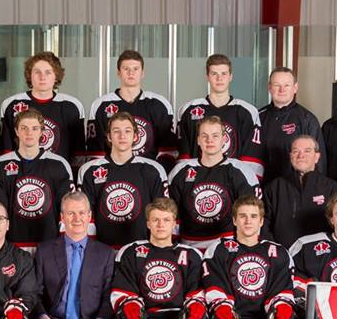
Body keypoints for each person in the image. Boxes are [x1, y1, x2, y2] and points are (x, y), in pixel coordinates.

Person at [77, 110, 169, 250]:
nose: (122, 136)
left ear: (135, 136)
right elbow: (85, 216)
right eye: (116, 131)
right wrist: (91, 250)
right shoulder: (89, 171)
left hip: (141, 251)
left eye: (127, 131)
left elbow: (162, 214)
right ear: (109, 136)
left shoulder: (153, 170)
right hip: (103, 251)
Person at [0, 108, 74, 253]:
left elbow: (67, 210)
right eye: (24, 128)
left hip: (50, 246)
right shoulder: (0, 165)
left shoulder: (59, 165)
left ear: (42, 132)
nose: (29, 133)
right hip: (12, 247)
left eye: (34, 128)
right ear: (16, 131)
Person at [168, 116, 260, 252]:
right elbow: (169, 214)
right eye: (204, 136)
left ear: (224, 139)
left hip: (228, 248)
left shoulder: (241, 171)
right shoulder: (180, 172)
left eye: (215, 136)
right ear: (198, 140)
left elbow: (250, 214)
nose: (209, 140)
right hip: (189, 248)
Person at [176, 54, 264, 180]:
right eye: (214, 74)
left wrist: (243, 185)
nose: (219, 78)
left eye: (224, 74)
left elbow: (252, 159)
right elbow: (184, 157)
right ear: (207, 77)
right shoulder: (188, 110)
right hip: (198, 182)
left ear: (231, 76)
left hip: (233, 182)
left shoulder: (247, 112)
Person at [87, 50, 177, 169]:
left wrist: (154, 174)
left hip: (149, 174)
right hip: (113, 173)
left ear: (142, 73)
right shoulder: (101, 105)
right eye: (126, 69)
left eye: (135, 69)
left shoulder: (159, 105)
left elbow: (168, 151)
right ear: (118, 72)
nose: (131, 73)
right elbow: (95, 152)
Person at [0, 51, 86, 165]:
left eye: (48, 72)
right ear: (29, 75)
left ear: (56, 76)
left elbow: (78, 154)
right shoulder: (11, 104)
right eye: (37, 72)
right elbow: (5, 151)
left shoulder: (72, 106)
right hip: (21, 172)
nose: (42, 77)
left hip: (58, 173)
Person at [262, 135, 337, 249]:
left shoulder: (333, 189)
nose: (301, 156)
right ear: (290, 156)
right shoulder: (273, 188)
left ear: (317, 157)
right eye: (296, 151)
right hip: (282, 255)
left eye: (307, 151)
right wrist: (274, 249)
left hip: (321, 255)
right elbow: (263, 223)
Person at [258, 66, 326, 185]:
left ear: (295, 88)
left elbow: (319, 162)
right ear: (269, 87)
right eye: (277, 85)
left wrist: (313, 189)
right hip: (263, 186)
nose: (282, 90)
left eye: (287, 85)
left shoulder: (307, 119)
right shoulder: (258, 117)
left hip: (294, 188)